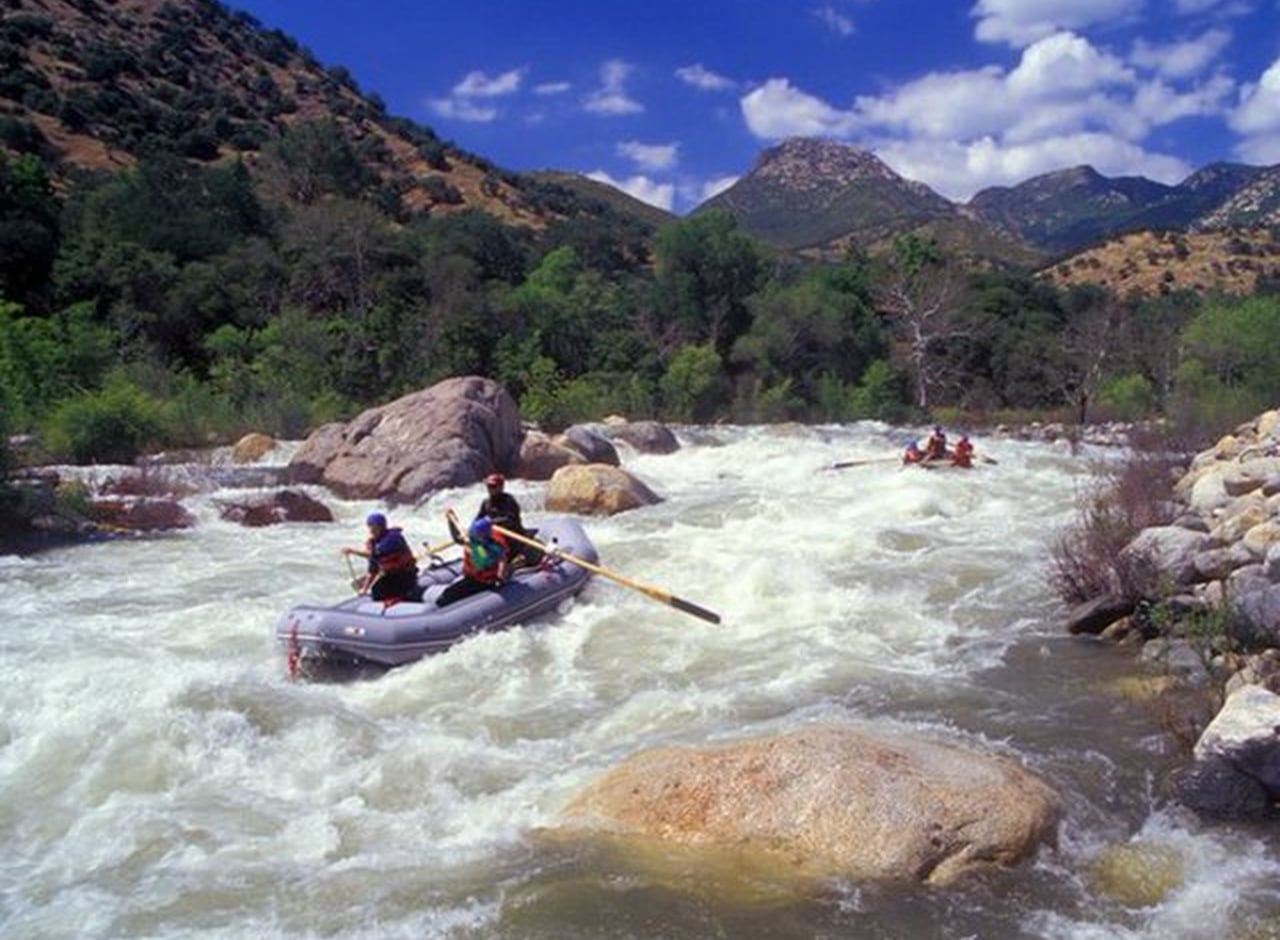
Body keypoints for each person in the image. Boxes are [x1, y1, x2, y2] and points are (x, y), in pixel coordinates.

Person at [341, 512, 421, 603]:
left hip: (405, 575)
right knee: (377, 591)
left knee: (382, 590)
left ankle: (405, 598)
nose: (371, 530)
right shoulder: (374, 543)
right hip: (391, 575)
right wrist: (364, 589)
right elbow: (372, 570)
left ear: (382, 527)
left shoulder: (393, 538)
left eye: (374, 527)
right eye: (370, 526)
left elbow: (374, 554)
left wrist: (353, 551)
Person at [437, 516, 510, 607]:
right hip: (471, 577)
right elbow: (457, 539)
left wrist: (500, 579)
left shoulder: (493, 547)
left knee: (449, 596)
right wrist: (451, 522)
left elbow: (487, 562)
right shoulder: (475, 538)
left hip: (485, 582)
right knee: (446, 595)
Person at [475, 472, 538, 565]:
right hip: (494, 536)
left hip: (511, 538)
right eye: (488, 486)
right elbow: (478, 519)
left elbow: (510, 520)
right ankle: (480, 565)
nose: (490, 489)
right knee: (478, 544)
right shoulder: (486, 503)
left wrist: (491, 523)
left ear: (501, 487)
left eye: (493, 486)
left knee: (499, 549)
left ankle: (502, 572)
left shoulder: (509, 501)